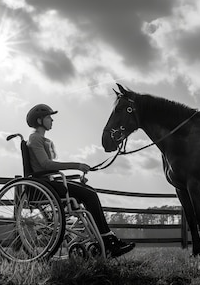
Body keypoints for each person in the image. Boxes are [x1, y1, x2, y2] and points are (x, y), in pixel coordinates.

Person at [25, 103, 135, 258]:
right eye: (49, 117)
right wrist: (76, 165)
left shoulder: (42, 139)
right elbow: (45, 165)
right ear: (39, 120)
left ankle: (107, 238)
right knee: (89, 195)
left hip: (49, 183)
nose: (52, 120)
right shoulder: (35, 138)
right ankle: (107, 240)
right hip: (45, 185)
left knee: (90, 192)